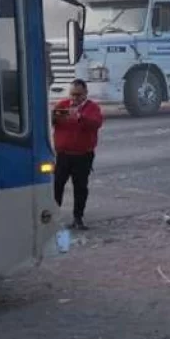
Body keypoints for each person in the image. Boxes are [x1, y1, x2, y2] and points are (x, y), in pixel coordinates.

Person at [52, 79, 104, 230]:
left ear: (85, 93)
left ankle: (78, 217)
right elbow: (53, 118)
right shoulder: (63, 105)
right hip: (63, 155)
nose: (74, 98)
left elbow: (96, 123)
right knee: (57, 185)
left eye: (78, 95)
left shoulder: (92, 108)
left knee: (80, 187)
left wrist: (80, 117)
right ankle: (54, 217)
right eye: (72, 94)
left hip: (83, 155)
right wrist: (61, 114)